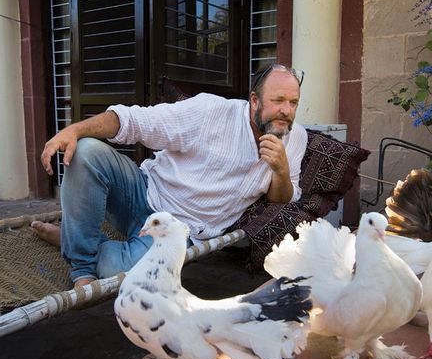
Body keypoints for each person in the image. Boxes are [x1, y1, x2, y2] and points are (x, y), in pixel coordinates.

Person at [33, 64, 308, 287]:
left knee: (111, 271)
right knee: (86, 150)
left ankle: (73, 241)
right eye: (278, 100)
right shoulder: (211, 112)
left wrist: (280, 170)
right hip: (142, 192)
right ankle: (81, 265)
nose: (287, 110)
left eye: (293, 102)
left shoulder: (296, 138)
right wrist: (75, 130)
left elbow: (282, 197)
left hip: (181, 229)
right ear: (254, 101)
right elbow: (136, 121)